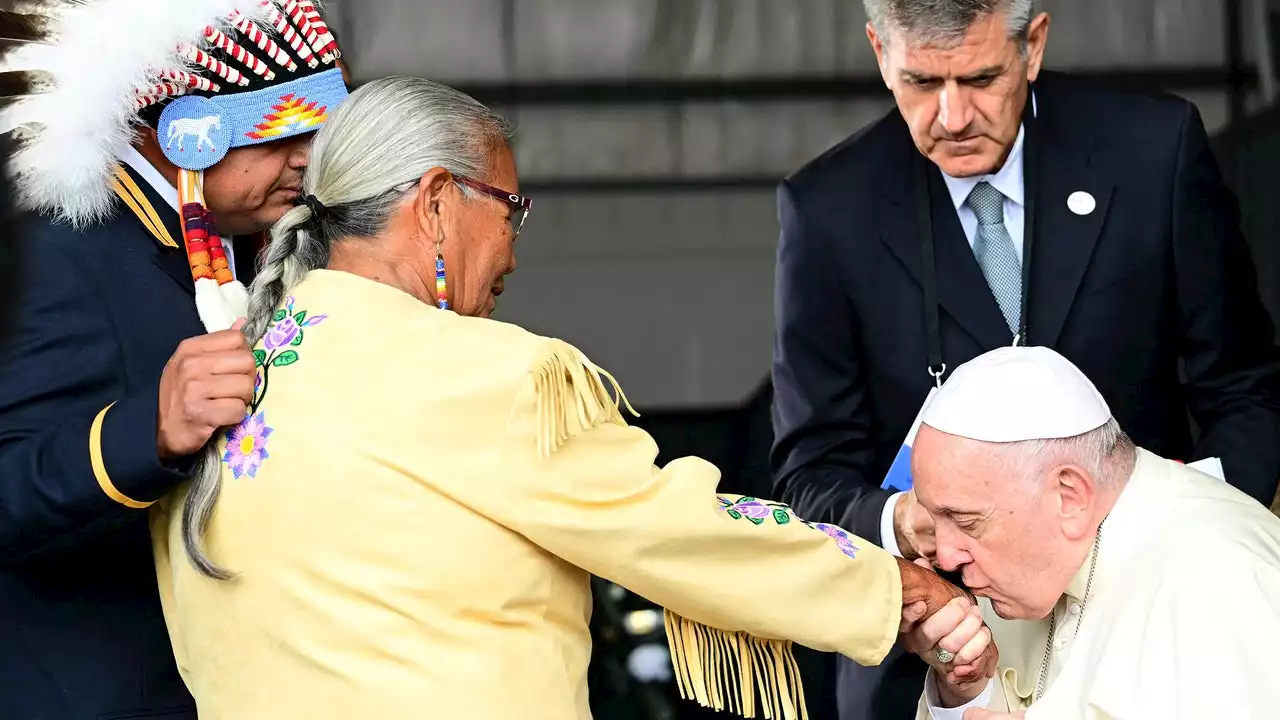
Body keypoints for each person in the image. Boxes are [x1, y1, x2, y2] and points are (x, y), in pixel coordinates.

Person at [149, 75, 994, 720]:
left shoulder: (213, 389)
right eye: (511, 209)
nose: (514, 251)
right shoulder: (483, 376)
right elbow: (679, 533)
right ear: (437, 203)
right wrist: (897, 588)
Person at [770, 0, 1280, 716]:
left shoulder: (1151, 149)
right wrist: (904, 524)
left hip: (1161, 624)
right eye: (919, 82)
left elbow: (1244, 388)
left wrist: (1181, 527)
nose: (951, 116)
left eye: (980, 77)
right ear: (879, 52)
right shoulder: (828, 208)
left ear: (1032, 45)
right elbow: (808, 477)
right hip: (939, 655)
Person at [0, 1, 348, 717]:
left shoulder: (244, 249)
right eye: (278, 127)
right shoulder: (58, 251)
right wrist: (147, 432)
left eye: (320, 129)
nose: (306, 156)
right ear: (180, 128)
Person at [900, 345, 1280, 719]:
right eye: (935, 520)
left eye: (966, 522)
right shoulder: (1018, 560)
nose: (945, 557)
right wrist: (964, 688)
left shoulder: (1229, 580)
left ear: (1070, 496)